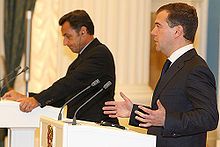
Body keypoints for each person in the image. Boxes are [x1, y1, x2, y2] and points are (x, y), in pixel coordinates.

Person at [103, 2, 218, 147]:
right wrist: (134, 112)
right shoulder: (173, 64)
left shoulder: (195, 68)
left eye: (158, 26)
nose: (152, 32)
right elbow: (165, 114)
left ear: (177, 31)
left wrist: (166, 120)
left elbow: (209, 117)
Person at [3, 10, 118, 124]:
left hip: (99, 128)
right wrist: (26, 97)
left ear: (83, 31)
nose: (65, 42)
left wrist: (36, 100)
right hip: (83, 128)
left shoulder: (99, 54)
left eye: (68, 36)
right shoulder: (80, 60)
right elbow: (63, 97)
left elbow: (69, 83)